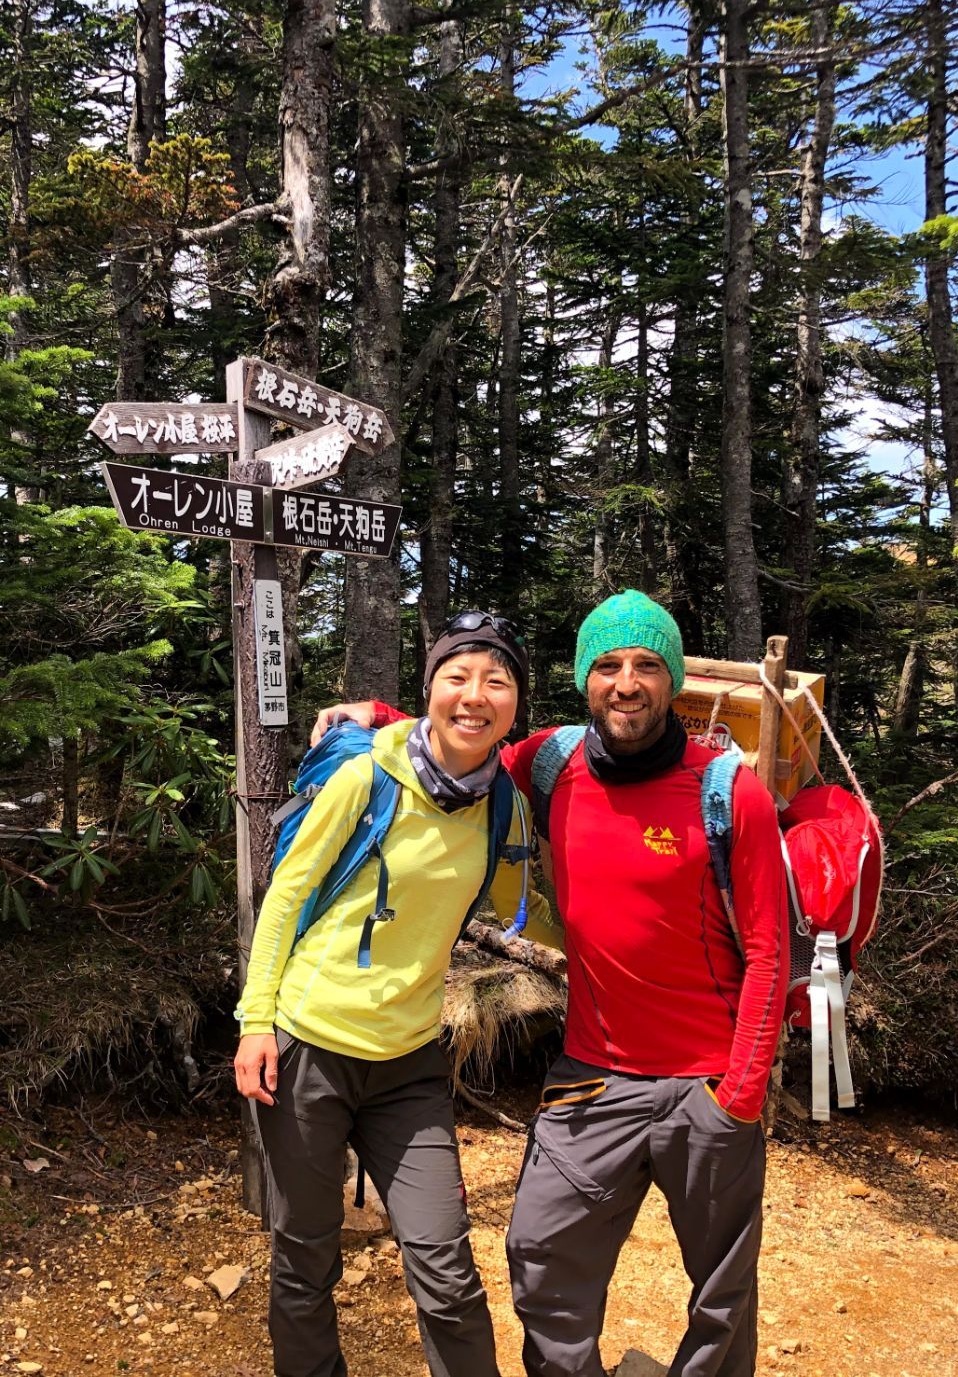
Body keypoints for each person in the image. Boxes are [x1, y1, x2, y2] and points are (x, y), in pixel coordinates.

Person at [313, 589, 788, 1377]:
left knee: (721, 1293)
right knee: (539, 1256)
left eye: (644, 666)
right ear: (583, 679)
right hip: (591, 1077)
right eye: (606, 666)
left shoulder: (726, 790)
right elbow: (466, 735)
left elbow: (770, 950)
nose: (625, 683)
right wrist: (378, 712)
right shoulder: (553, 761)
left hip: (705, 1082)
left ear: (671, 679)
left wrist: (735, 1096)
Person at [234, 612, 534, 1377]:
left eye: (496, 681)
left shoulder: (504, 803)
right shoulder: (365, 775)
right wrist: (255, 1021)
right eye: (456, 678)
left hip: (408, 1063)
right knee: (304, 1256)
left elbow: (544, 906)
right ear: (428, 689)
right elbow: (285, 895)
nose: (475, 697)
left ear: (515, 704)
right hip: (308, 1048)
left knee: (445, 1267)